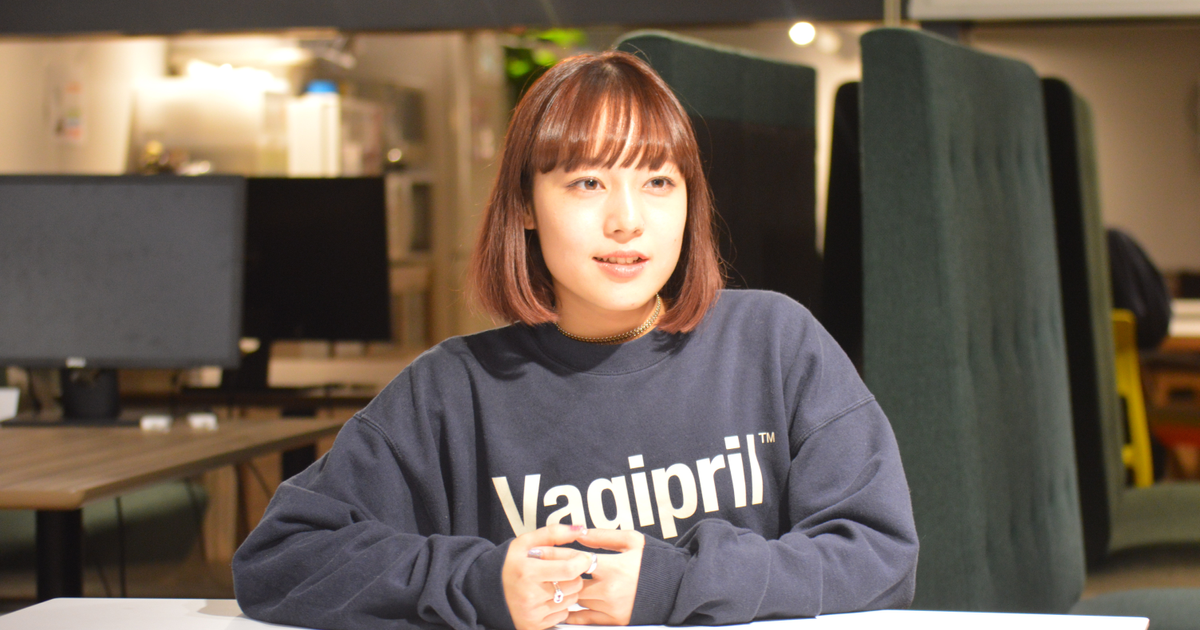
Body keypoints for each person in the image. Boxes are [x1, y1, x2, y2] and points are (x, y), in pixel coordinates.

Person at [232, 50, 918, 630]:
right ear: (526, 204)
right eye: (588, 181)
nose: (627, 220)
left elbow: (878, 554)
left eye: (658, 181)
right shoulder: (453, 392)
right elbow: (281, 559)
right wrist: (480, 583)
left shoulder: (774, 343)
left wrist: (672, 584)